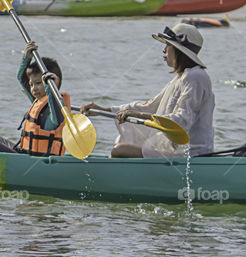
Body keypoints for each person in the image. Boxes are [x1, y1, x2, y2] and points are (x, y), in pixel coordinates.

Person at [81, 23, 214, 158]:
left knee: (119, 151)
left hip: (192, 153)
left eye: (168, 45)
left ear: (179, 51)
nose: (164, 50)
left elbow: (182, 120)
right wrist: (103, 110)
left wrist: (139, 115)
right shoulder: (181, 78)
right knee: (120, 148)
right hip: (177, 151)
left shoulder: (195, 77)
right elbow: (150, 107)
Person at [0, 41, 70, 156]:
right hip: (25, 155)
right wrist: (26, 58)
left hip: (36, 162)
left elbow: (56, 118)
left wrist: (51, 87)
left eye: (39, 83)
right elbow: (21, 77)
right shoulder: (39, 100)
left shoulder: (57, 107)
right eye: (31, 84)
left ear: (53, 82)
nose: (33, 88)